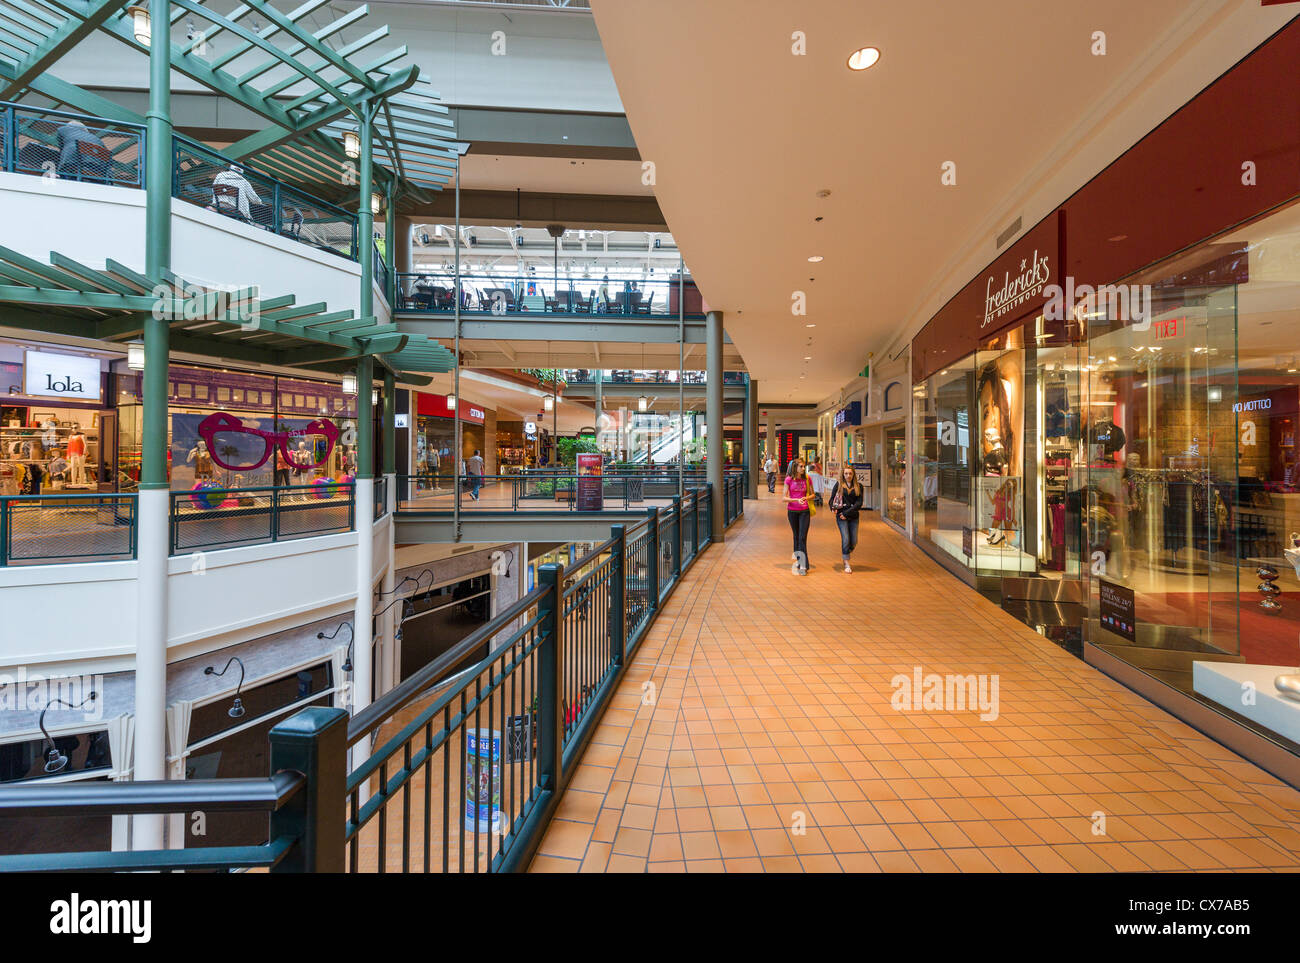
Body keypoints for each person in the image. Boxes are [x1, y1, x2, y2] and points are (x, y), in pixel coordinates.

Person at [828, 465, 864, 573]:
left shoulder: (859, 486)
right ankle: (846, 562)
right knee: (846, 538)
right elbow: (831, 499)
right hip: (841, 517)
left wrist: (846, 513)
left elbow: (859, 503)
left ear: (853, 475)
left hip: (853, 517)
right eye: (846, 473)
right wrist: (832, 508)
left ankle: (846, 551)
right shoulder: (839, 485)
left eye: (850, 473)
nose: (848, 476)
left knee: (853, 541)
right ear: (843, 475)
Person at [784, 458, 811, 575]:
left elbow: (813, 494)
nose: (803, 468)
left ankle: (803, 566)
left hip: (805, 511)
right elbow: (783, 498)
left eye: (804, 466)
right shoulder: (789, 479)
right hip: (792, 511)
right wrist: (796, 499)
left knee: (802, 537)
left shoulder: (807, 479)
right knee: (796, 536)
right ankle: (799, 561)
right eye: (801, 466)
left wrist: (806, 498)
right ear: (795, 467)